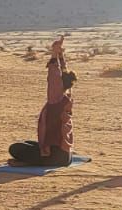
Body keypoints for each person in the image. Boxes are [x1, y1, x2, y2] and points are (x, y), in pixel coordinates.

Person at [9, 35, 75, 167]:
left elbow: (54, 77)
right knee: (27, 143)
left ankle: (31, 163)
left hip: (55, 157)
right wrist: (60, 56)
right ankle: (34, 159)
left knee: (14, 148)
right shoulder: (66, 95)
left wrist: (53, 55)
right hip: (65, 155)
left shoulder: (55, 99)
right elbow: (62, 74)